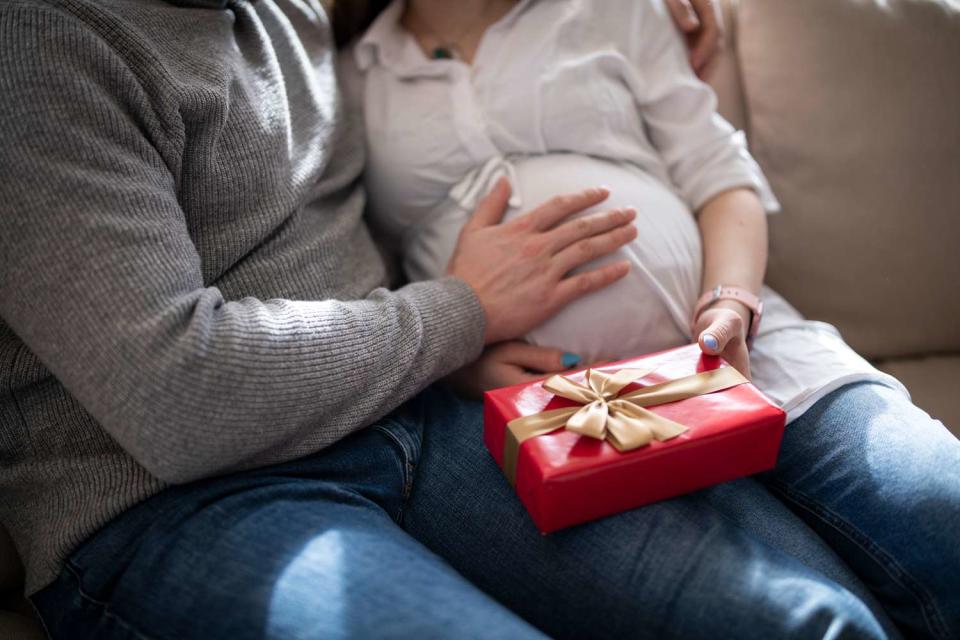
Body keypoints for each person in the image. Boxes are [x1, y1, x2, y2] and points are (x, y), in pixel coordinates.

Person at [0, 3, 953, 640]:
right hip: (191, 497)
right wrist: (462, 319)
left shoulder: (295, 12)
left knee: (810, 621)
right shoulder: (42, 51)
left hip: (432, 421)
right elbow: (178, 399)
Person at [341, 0, 960, 637]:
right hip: (561, 417)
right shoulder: (350, 72)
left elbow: (722, 174)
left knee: (942, 507)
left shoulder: (616, 10)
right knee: (810, 617)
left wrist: (732, 303)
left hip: (749, 353)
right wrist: (462, 356)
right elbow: (376, 274)